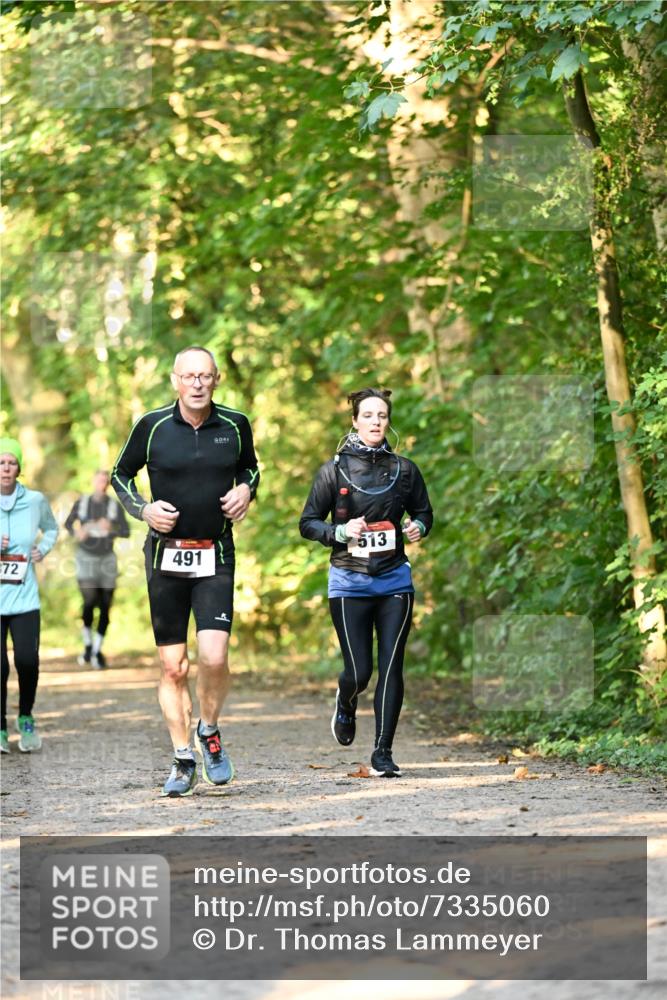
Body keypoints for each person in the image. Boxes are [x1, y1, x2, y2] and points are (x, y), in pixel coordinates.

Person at [112, 346, 260, 797]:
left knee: (214, 657)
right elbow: (121, 476)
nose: (197, 383)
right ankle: (182, 758)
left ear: (216, 380)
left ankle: (209, 730)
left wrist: (245, 491)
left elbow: (251, 469)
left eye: (205, 376)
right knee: (173, 667)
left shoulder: (235, 424)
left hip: (215, 552)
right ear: (175, 380)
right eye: (189, 376)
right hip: (165, 557)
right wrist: (144, 508)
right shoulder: (151, 426)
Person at [299, 388, 433, 778]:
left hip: (394, 580)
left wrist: (417, 526)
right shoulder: (334, 469)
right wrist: (340, 532)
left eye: (382, 416)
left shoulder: (405, 470)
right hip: (349, 581)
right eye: (368, 415)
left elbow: (424, 512)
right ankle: (346, 697)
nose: (376, 421)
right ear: (354, 421)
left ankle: (383, 752)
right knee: (360, 671)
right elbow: (307, 523)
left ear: (389, 422)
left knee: (392, 666)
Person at [0, 437, 59, 753]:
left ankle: (25, 718)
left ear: (19, 467)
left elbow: (52, 528)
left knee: (27, 661)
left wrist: (43, 548)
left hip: (25, 599)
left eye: (11, 462)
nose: (5, 468)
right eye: (1, 462)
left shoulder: (35, 501)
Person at [64, 470, 130, 669]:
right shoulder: (82, 503)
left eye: (105, 481)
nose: (101, 483)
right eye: (99, 479)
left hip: (107, 559)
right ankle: (87, 644)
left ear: (108, 484)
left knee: (105, 605)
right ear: (93, 481)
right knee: (89, 601)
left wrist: (111, 528)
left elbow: (126, 531)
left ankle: (97, 650)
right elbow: (67, 524)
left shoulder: (113, 506)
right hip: (86, 559)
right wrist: (78, 532)